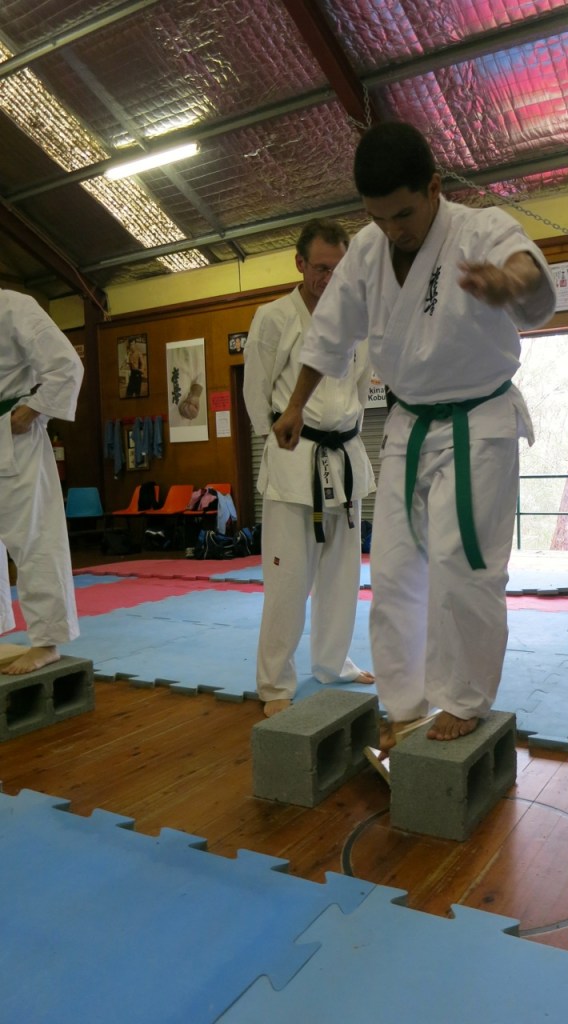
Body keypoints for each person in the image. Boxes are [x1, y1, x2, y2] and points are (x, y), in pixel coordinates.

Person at [272, 122, 556, 748]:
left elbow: (526, 268)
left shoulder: (478, 228)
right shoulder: (367, 252)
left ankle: (464, 698)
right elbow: (330, 333)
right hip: (407, 422)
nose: (393, 229)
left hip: (479, 420)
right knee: (394, 568)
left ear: (433, 188)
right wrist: (295, 407)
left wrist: (510, 282)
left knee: (464, 565)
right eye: (378, 217)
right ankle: (402, 703)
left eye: (403, 213)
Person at [243, 218, 376, 717]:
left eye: (339, 268)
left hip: (345, 456)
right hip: (295, 459)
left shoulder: (357, 319)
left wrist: (348, 430)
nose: (329, 277)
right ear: (300, 263)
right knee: (288, 581)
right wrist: (278, 443)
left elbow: (360, 386)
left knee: (343, 577)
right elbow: (255, 394)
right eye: (321, 267)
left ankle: (332, 662)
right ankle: (275, 682)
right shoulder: (274, 317)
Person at [0, 288, 84, 675]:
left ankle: (46, 641)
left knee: (34, 537)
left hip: (15, 436)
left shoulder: (14, 306)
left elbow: (66, 365)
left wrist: (33, 410)